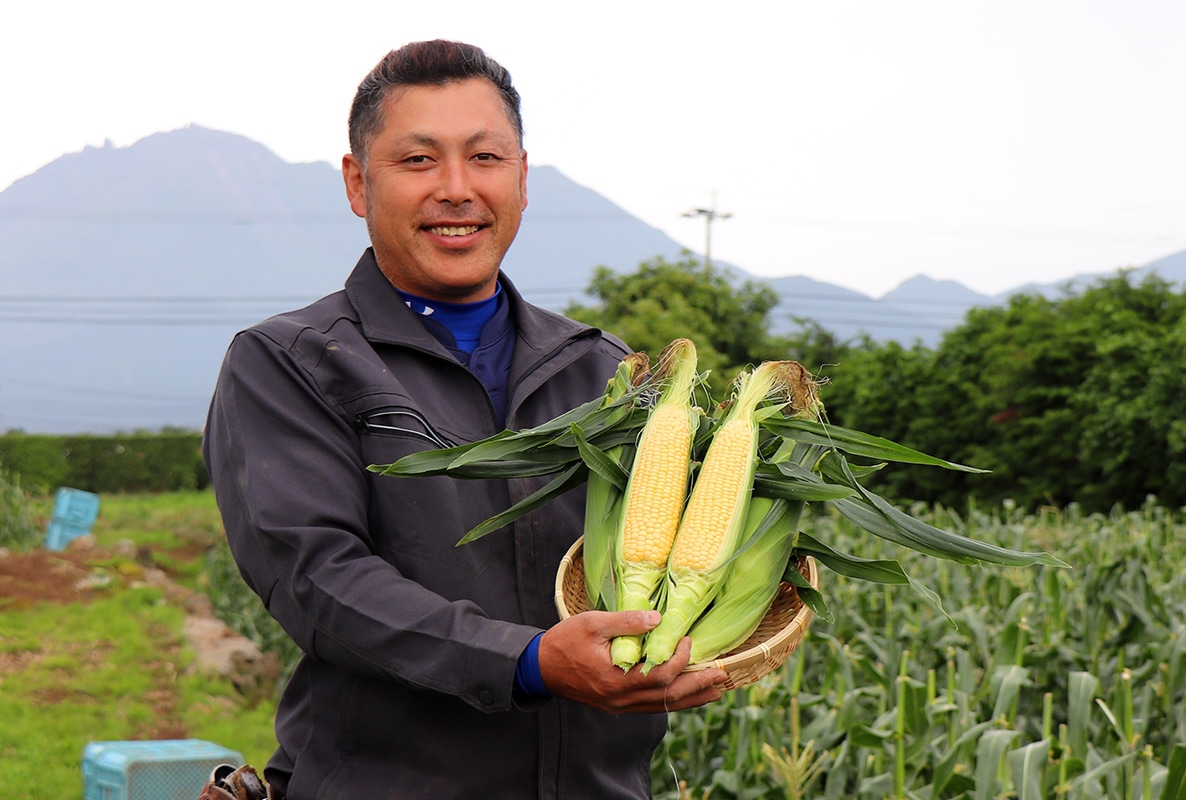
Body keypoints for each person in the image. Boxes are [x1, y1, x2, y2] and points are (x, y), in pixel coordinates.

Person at [202, 39, 727, 800]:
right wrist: (527, 661)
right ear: (358, 183)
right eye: (418, 161)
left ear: (522, 178)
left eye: (485, 158)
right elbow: (317, 578)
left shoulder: (606, 370)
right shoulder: (291, 362)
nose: (456, 189)